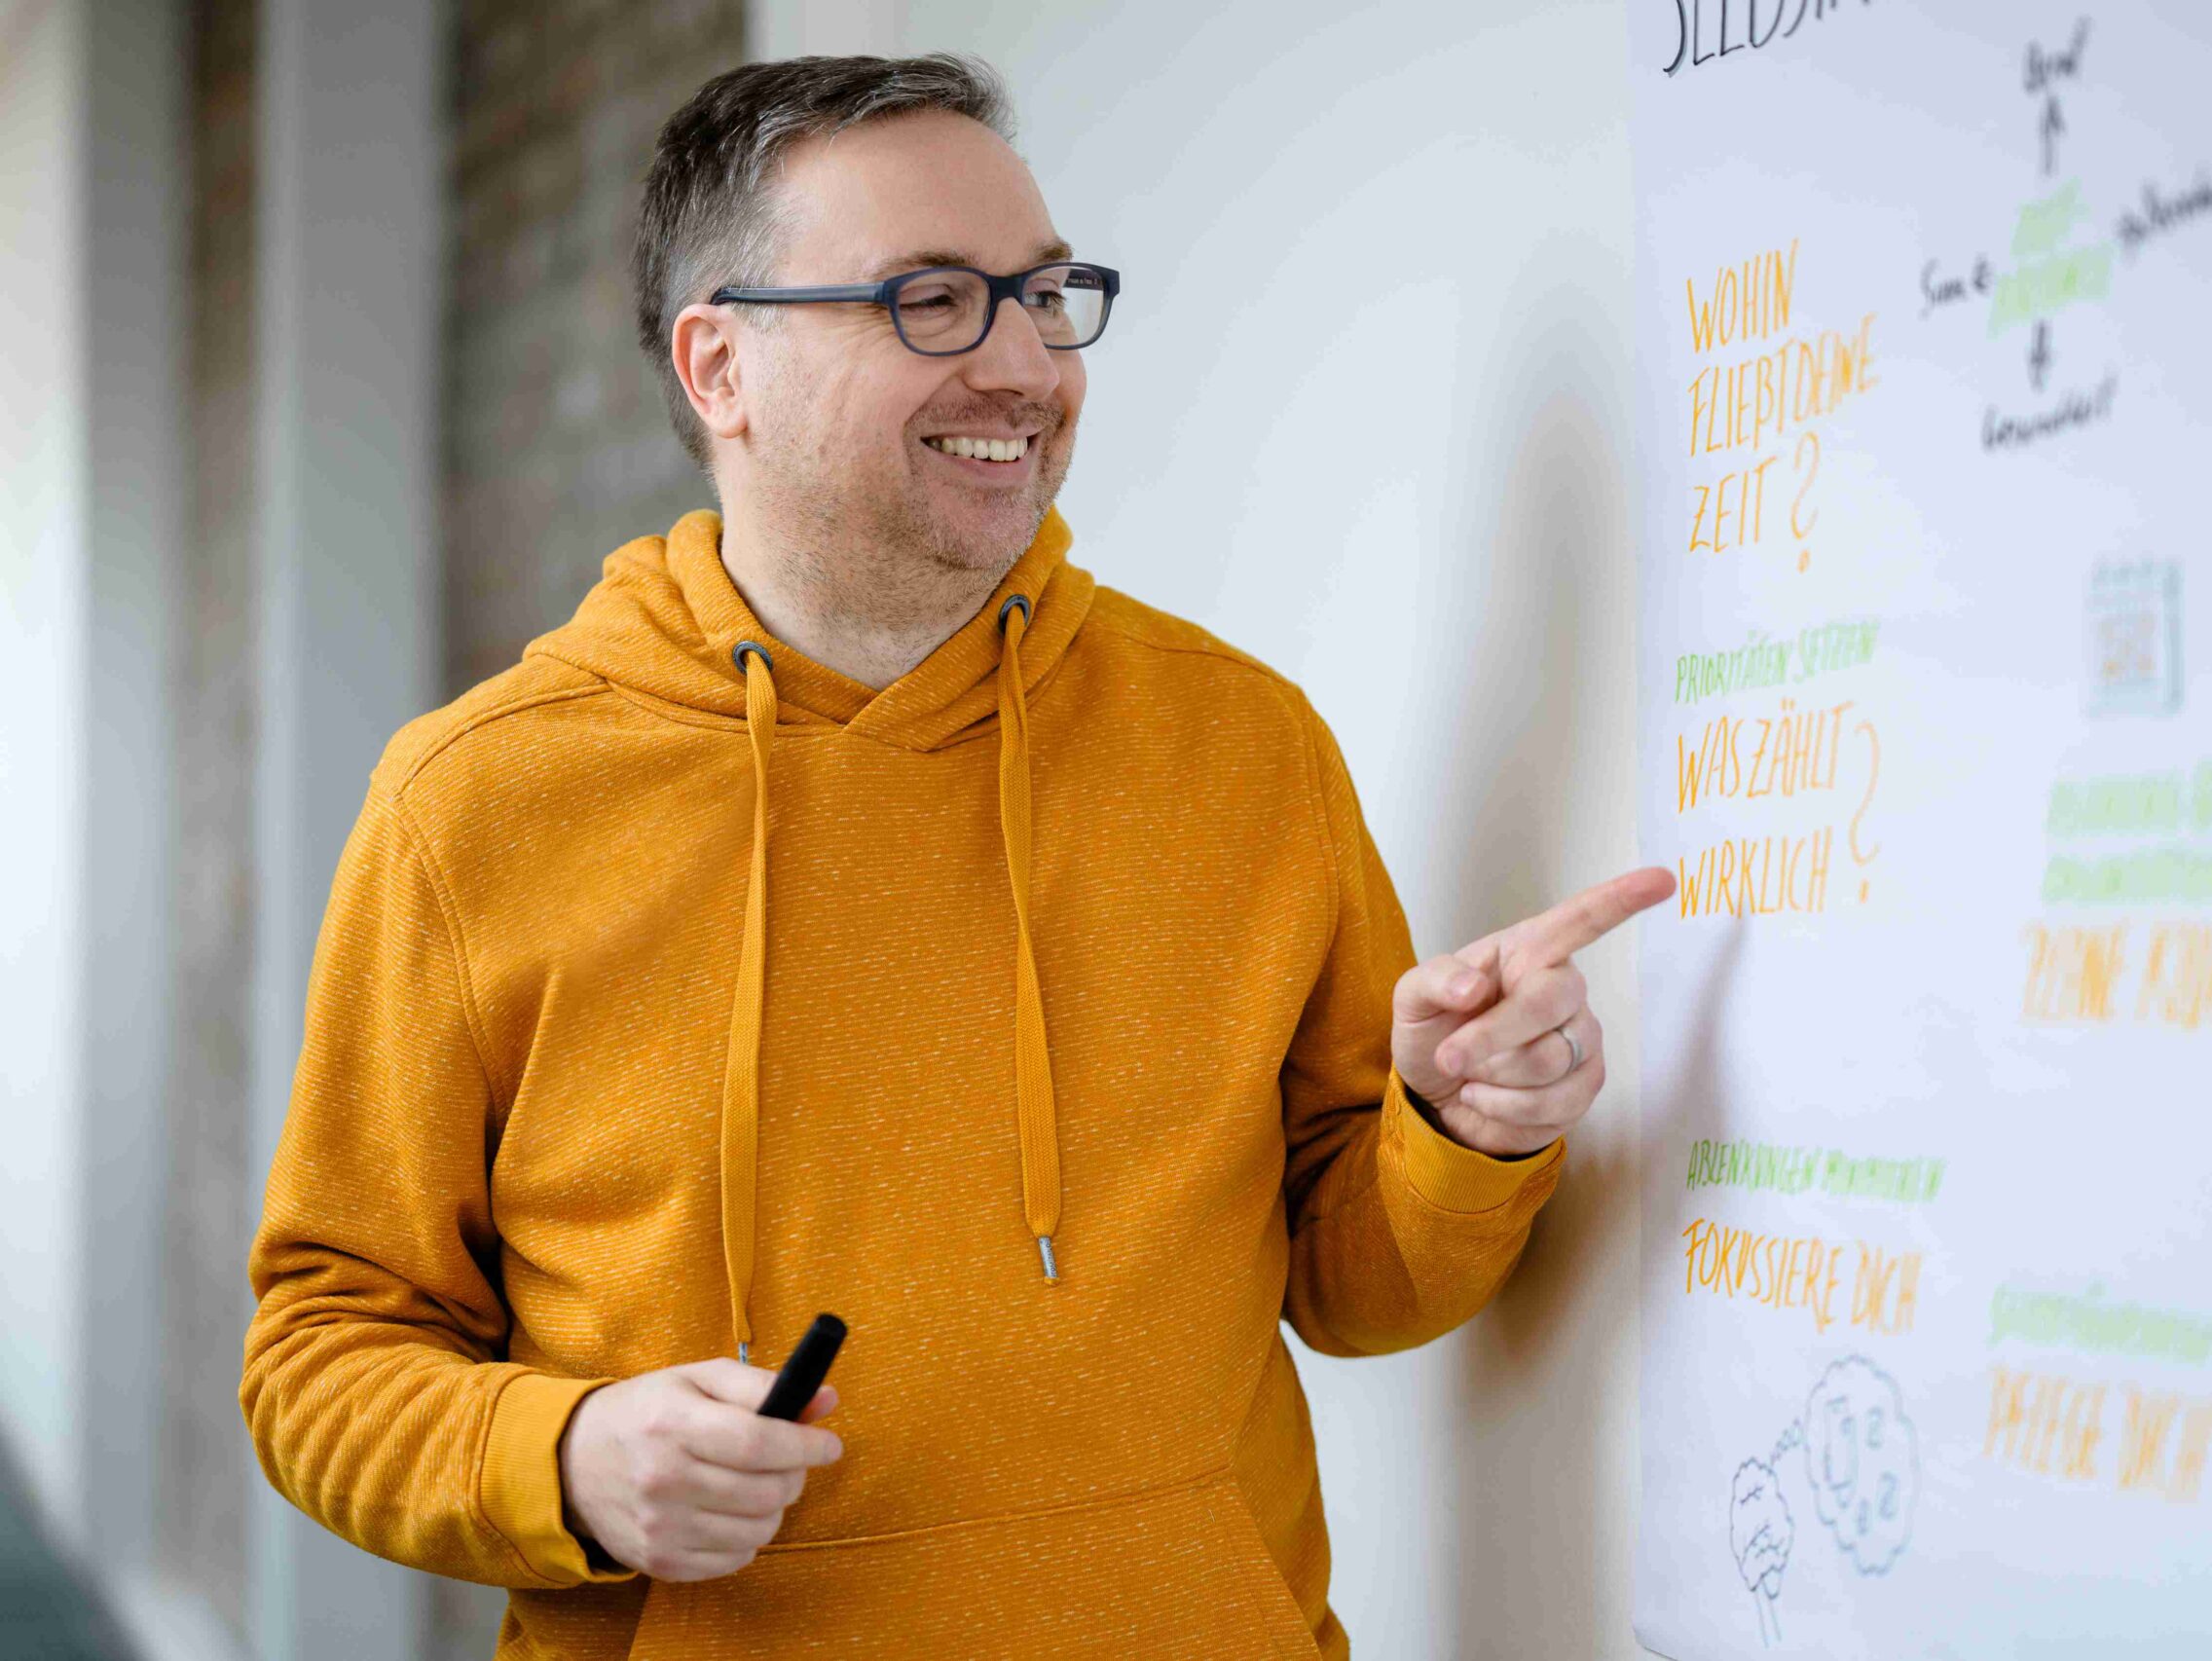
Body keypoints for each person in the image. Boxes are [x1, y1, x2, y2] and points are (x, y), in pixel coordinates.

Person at [239, 52, 1672, 1660]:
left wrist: (1454, 1132)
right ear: (721, 365)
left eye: (1046, 296)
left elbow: (1358, 1285)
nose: (1026, 364)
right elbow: (320, 1354)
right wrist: (561, 1459)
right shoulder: (473, 803)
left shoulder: (1244, 744)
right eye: (932, 300)